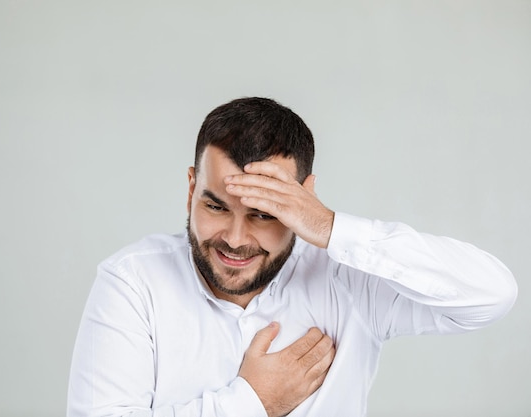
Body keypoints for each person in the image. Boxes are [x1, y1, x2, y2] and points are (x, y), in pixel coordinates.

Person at [67, 97, 517, 417]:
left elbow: (492, 295)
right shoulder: (133, 282)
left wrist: (330, 227)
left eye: (265, 214)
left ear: (302, 202)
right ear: (190, 188)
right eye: (216, 206)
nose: (236, 239)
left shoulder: (350, 282)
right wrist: (252, 402)